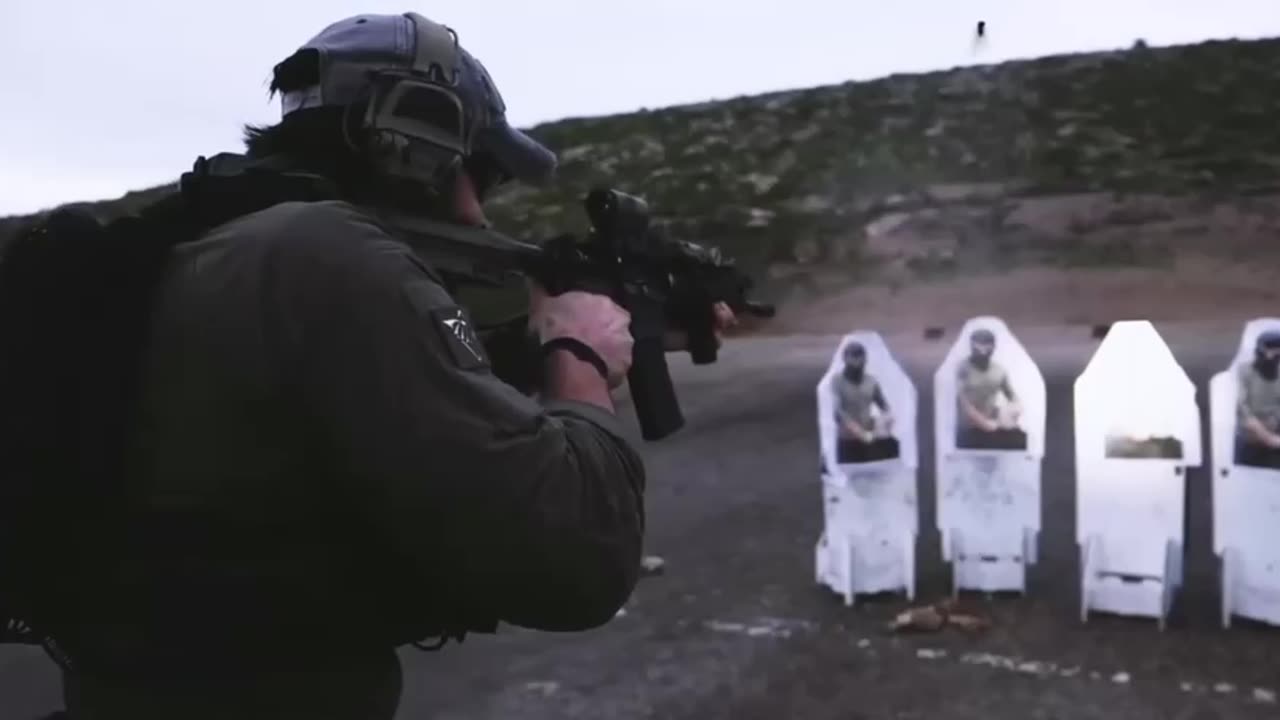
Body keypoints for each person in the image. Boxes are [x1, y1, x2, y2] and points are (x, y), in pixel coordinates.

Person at [46, 11, 735, 720]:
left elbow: (369, 396)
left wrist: (627, 331)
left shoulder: (199, 249)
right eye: (485, 177)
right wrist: (580, 356)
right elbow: (576, 560)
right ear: (422, 142)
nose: (481, 218)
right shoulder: (326, 255)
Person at [955, 328, 1027, 451]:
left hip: (992, 426)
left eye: (986, 346)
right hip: (969, 429)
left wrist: (1013, 411)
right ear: (972, 347)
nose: (982, 351)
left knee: (1019, 438)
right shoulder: (963, 368)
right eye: (978, 346)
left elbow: (1012, 396)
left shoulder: (999, 370)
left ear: (993, 347)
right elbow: (963, 402)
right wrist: (983, 423)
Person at [832, 342, 898, 463]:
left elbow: (884, 405)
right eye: (853, 357)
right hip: (846, 439)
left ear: (864, 359)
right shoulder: (837, 381)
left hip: (868, 437)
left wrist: (886, 421)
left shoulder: (871, 381)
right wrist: (858, 431)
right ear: (845, 359)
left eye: (860, 357)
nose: (857, 361)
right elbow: (838, 412)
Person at [1235, 330, 1280, 469]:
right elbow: (1243, 412)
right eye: (1273, 351)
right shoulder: (1244, 372)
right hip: (1251, 443)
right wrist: (1268, 438)